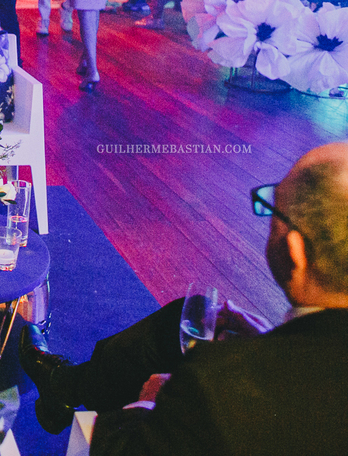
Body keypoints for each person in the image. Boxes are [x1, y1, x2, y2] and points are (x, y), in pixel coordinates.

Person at [20, 141, 348, 454]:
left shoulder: (216, 387)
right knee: (194, 315)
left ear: (294, 252)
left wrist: (149, 404)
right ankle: (65, 386)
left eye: (271, 210)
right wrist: (273, 340)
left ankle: (64, 387)